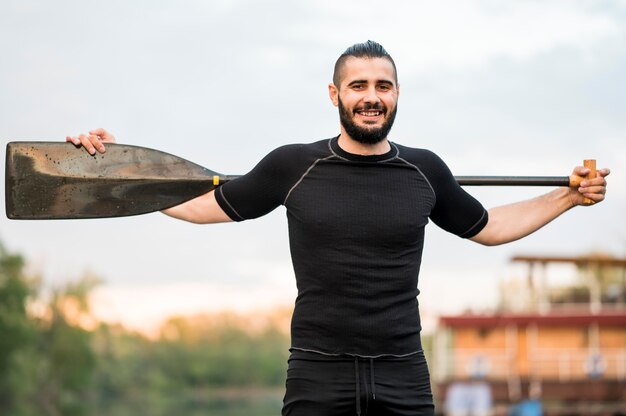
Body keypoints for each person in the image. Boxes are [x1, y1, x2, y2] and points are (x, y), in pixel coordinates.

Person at [67, 41, 609, 416]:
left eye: (383, 86)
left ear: (397, 93)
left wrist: (567, 196)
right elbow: (195, 205)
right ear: (335, 95)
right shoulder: (292, 166)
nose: (371, 96)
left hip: (403, 371)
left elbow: (489, 226)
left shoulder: (425, 170)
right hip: (317, 371)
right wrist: (113, 168)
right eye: (358, 86)